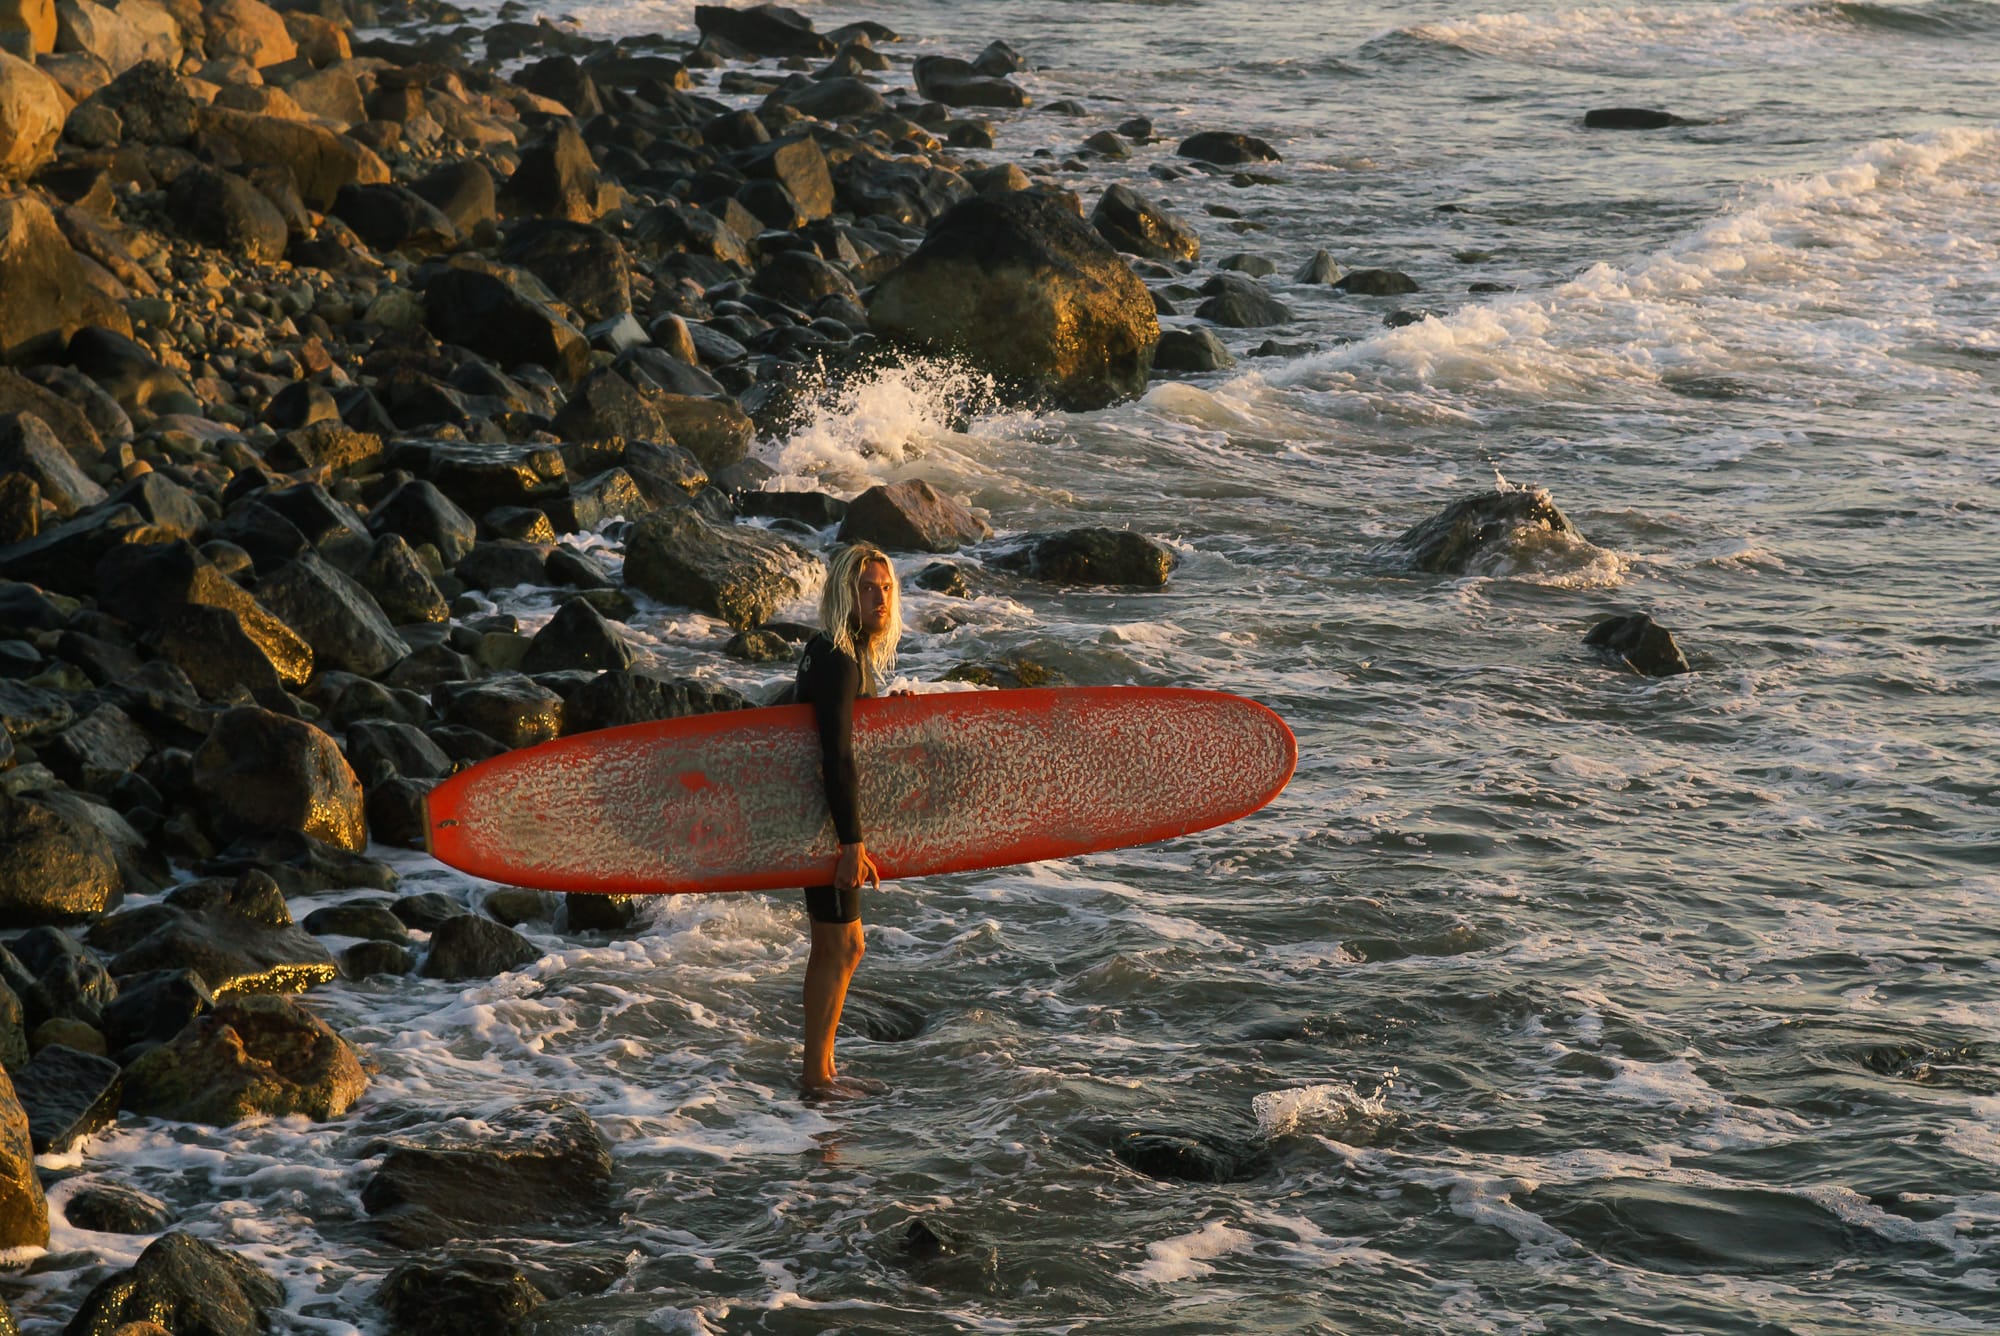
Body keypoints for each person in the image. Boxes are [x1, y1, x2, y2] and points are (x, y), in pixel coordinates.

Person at [795, 542, 902, 1097]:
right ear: (843, 593)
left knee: (846, 945)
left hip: (820, 818)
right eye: (866, 588)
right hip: (824, 822)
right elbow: (835, 754)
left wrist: (886, 713)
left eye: (885, 588)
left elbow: (847, 732)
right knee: (836, 946)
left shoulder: (834, 651)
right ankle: (815, 1076)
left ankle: (826, 1067)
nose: (879, 598)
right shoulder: (838, 657)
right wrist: (850, 843)